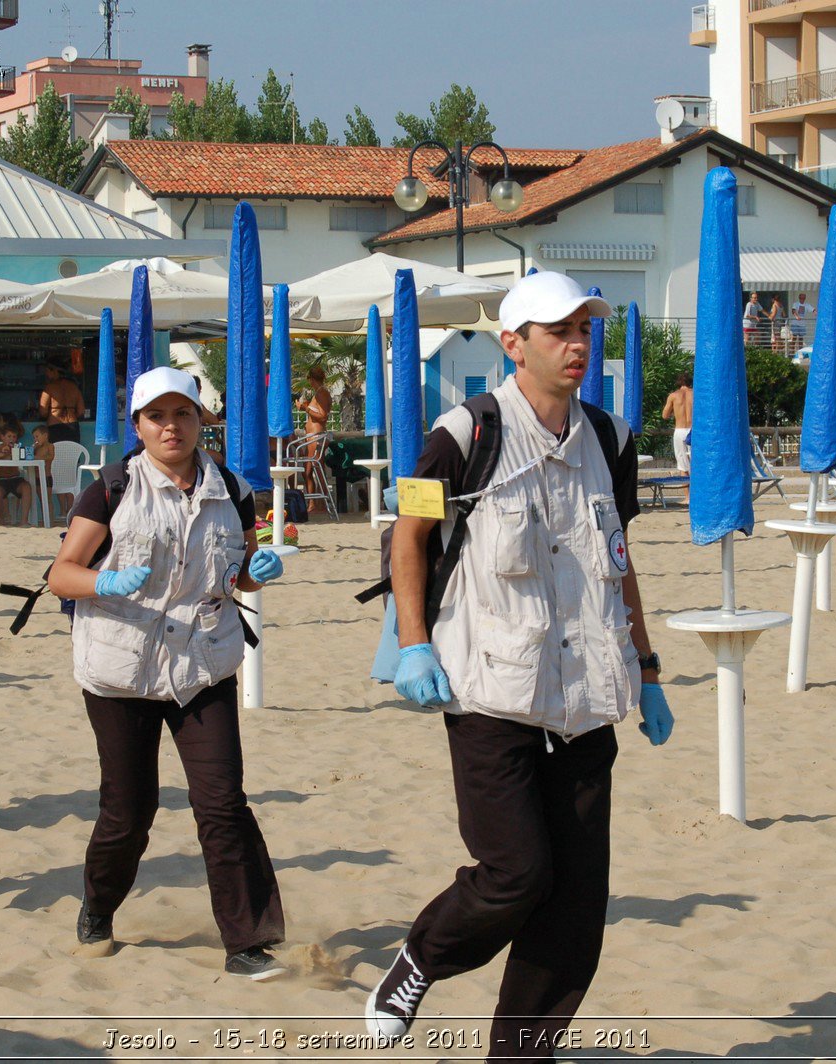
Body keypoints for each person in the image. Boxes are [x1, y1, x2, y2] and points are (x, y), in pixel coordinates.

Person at [364, 271, 674, 1059]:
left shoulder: (611, 438)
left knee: (575, 907)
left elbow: (619, 553)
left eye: (584, 330)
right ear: (513, 343)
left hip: (586, 698)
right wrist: (411, 643)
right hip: (490, 689)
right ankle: (418, 961)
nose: (577, 345)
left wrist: (647, 664)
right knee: (515, 871)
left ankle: (521, 1052)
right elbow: (408, 537)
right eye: (557, 332)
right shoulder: (462, 435)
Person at [47, 366, 289, 979]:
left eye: (182, 414)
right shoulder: (111, 488)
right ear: (138, 426)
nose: (171, 427)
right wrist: (104, 582)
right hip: (121, 667)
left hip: (203, 663)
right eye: (157, 416)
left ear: (200, 420)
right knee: (129, 812)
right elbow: (61, 574)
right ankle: (99, 908)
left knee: (223, 803)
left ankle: (246, 940)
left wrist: (257, 571)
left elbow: (234, 578)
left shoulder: (232, 488)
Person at [39, 360, 85, 444]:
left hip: (55, 425)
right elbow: (81, 411)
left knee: (56, 455)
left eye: (47, 371)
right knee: (73, 454)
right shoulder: (74, 387)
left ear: (54, 371)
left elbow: (43, 412)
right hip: (72, 425)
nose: (46, 374)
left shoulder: (49, 388)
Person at [661, 372, 694, 475]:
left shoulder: (673, 396)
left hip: (680, 431)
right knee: (697, 464)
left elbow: (664, 415)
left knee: (683, 466)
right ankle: (697, 491)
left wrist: (675, 412)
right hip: (693, 431)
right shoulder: (696, 394)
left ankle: (687, 492)